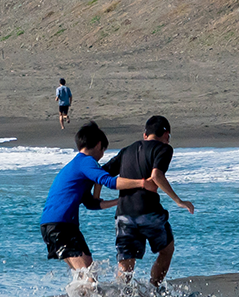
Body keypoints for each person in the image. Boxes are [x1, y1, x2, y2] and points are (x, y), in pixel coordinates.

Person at [40, 121, 157, 289]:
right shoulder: (86, 162)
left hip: (58, 225)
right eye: (103, 150)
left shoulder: (77, 164)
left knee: (86, 275)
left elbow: (91, 204)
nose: (102, 155)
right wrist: (142, 183)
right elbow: (108, 180)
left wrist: (120, 201)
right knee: (89, 281)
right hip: (60, 225)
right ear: (98, 145)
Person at [104, 115, 194, 287]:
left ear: (145, 134)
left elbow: (102, 174)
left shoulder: (126, 150)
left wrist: (93, 197)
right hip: (149, 212)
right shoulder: (164, 149)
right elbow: (156, 175)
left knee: (125, 263)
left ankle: (121, 292)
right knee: (166, 250)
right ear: (166, 135)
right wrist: (178, 201)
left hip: (124, 214)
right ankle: (153, 288)